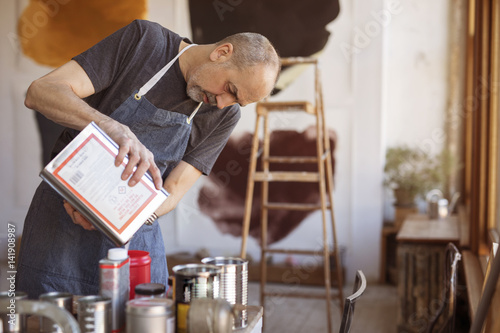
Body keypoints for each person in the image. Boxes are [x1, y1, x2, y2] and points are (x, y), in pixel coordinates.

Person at [17, 19, 280, 298]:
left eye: (237, 102)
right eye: (230, 88)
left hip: (133, 232)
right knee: (45, 320)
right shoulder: (145, 42)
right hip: (62, 217)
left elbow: (173, 190)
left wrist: (113, 214)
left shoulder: (224, 114)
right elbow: (41, 91)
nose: (224, 103)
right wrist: (114, 128)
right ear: (222, 52)